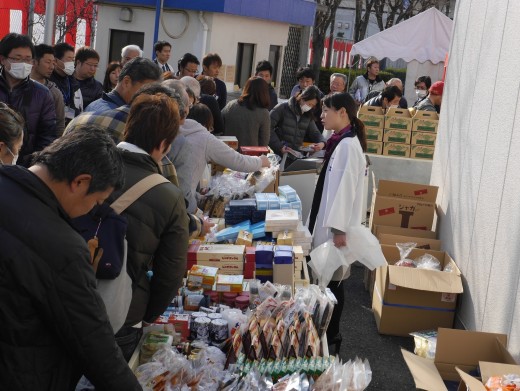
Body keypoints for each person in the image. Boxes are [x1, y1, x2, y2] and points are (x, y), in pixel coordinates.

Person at [0, 126, 141, 390]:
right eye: (97, 200)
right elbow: (96, 346)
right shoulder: (62, 247)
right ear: (80, 182)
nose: (94, 209)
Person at [111, 92, 189, 360]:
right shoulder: (167, 194)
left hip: (66, 301)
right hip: (122, 310)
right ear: (165, 144)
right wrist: (149, 315)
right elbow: (171, 271)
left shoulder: (89, 165)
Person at [307, 92, 367, 355]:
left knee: (333, 283)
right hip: (331, 224)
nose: (322, 116)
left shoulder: (347, 145)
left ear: (342, 112)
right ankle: (328, 335)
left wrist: (339, 230)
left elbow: (345, 191)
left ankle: (332, 336)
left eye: (326, 110)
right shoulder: (341, 141)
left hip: (336, 229)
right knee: (330, 280)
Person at [169, 79, 270, 211]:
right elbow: (237, 161)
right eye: (190, 104)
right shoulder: (200, 135)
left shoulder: (161, 130)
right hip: (181, 210)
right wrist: (260, 161)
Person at [0, 33, 56, 166]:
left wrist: (32, 166)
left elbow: (47, 136)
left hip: (25, 168)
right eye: (17, 58)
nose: (23, 64)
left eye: (28, 59)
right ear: (2, 59)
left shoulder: (42, 93)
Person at [86, 57, 162, 113]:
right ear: (126, 82)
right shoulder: (122, 117)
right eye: (148, 91)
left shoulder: (92, 106)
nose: (152, 98)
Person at [269, 85, 325, 157]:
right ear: (302, 98)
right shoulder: (282, 108)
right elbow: (267, 128)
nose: (309, 107)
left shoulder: (307, 115)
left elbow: (315, 132)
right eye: (309, 104)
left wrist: (322, 143)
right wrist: (279, 146)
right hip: (278, 154)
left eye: (312, 106)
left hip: (295, 155)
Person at [222, 76, 271, 147]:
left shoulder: (231, 105)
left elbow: (219, 125)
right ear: (264, 92)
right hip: (250, 155)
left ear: (246, 88)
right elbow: (264, 141)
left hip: (227, 152)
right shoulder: (263, 113)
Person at [31, 43, 66, 136]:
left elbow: (60, 125)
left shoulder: (54, 92)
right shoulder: (18, 86)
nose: (51, 67)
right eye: (47, 62)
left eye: (53, 63)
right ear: (34, 62)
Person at [51, 42, 83, 121]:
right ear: (55, 61)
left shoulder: (73, 82)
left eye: (73, 60)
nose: (72, 63)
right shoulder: (49, 82)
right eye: (69, 59)